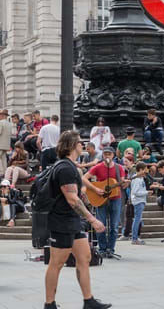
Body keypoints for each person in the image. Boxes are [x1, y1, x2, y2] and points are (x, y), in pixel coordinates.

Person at [44, 130, 111, 309]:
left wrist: (95, 196)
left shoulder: (70, 166)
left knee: (85, 256)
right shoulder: (65, 168)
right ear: (73, 145)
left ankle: (88, 301)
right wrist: (92, 220)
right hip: (61, 221)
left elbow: (79, 190)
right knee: (57, 263)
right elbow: (72, 198)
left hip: (72, 220)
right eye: (80, 142)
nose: (83, 145)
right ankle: (49, 304)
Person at [84, 147, 129, 258]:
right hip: (101, 198)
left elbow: (122, 183)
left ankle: (111, 249)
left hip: (116, 198)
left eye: (109, 154)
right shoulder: (98, 167)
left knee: (114, 226)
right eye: (105, 154)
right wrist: (95, 189)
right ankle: (102, 248)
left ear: (113, 155)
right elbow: (84, 178)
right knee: (101, 225)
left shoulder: (119, 168)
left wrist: (125, 183)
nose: (107, 156)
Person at [130, 162, 159, 245]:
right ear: (141, 170)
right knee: (137, 219)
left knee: (138, 219)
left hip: (140, 200)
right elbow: (136, 192)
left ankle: (135, 237)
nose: (146, 171)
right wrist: (146, 192)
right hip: (138, 201)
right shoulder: (136, 179)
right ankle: (134, 238)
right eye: (145, 169)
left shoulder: (140, 178)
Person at [0, 109, 12, 174]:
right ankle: (5, 172)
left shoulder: (1, 122)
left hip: (0, 144)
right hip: (6, 144)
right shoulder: (9, 124)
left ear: (2, 115)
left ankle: (1, 172)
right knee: (3, 158)